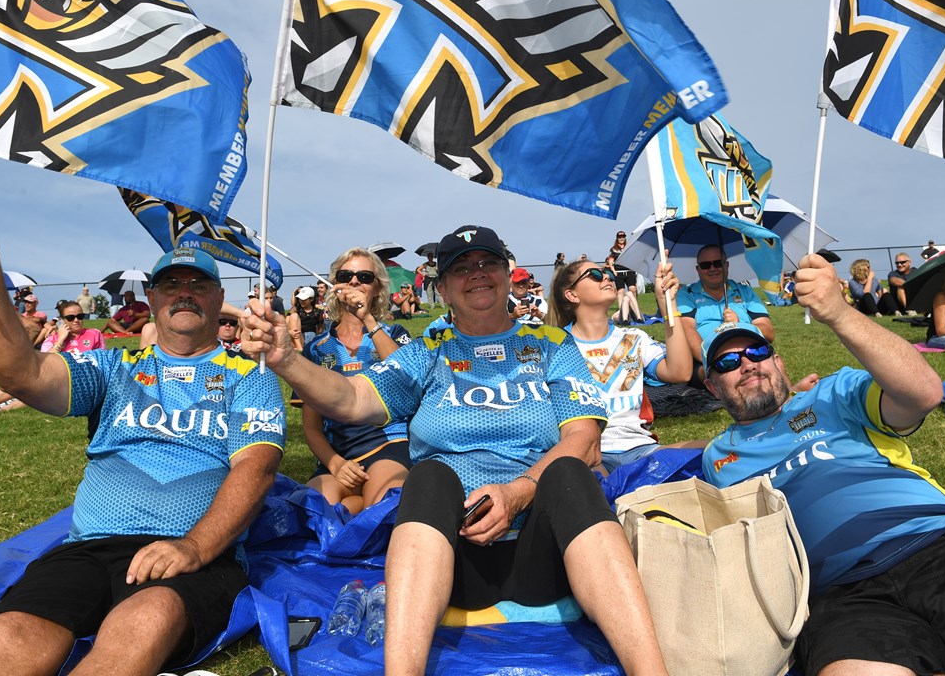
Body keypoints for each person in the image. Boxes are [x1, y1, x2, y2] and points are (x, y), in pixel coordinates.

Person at [244, 224, 669, 676]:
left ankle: (651, 671)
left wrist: (518, 492)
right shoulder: (427, 351)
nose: (477, 273)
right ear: (443, 289)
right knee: (428, 475)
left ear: (506, 273)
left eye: (488, 262)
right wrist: (287, 360)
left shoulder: (551, 344)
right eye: (461, 268)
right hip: (454, 559)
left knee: (570, 472)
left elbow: (584, 439)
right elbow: (352, 399)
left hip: (545, 554)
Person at [0, 198, 285, 676]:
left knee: (144, 622)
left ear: (217, 296)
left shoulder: (250, 377)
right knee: (9, 636)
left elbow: (257, 468)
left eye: (198, 284)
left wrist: (194, 547)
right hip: (89, 548)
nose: (184, 293)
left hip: (193, 553)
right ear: (153, 299)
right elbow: (22, 375)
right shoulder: (112, 366)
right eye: (171, 285)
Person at [698, 255, 945, 675]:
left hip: (940, 543)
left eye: (757, 350)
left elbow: (923, 393)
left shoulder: (833, 393)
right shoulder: (718, 456)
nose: (747, 363)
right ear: (713, 387)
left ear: (778, 362)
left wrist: (839, 313)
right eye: (727, 362)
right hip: (843, 593)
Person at [546, 258, 694, 472]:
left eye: (608, 274)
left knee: (713, 452)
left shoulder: (634, 338)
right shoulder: (554, 346)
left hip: (640, 448)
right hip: (588, 454)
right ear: (572, 295)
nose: (607, 277)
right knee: (592, 482)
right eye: (595, 275)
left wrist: (668, 304)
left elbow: (680, 372)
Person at [300, 248, 413, 514]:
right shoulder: (316, 348)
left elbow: (407, 377)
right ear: (334, 284)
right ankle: (356, 505)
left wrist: (368, 320)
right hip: (338, 456)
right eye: (345, 275)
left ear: (378, 288)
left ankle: (361, 506)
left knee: (384, 509)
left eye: (364, 276)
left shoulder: (394, 333)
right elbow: (312, 427)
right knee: (314, 511)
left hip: (389, 445)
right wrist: (336, 464)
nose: (354, 281)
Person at [678, 244, 774, 384]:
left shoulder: (745, 292)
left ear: (726, 265)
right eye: (705, 265)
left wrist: (739, 324)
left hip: (749, 354)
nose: (712, 268)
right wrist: (713, 358)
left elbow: (769, 332)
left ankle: (792, 395)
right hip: (707, 360)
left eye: (718, 263)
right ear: (698, 270)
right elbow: (687, 329)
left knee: (776, 363)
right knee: (721, 373)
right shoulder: (686, 295)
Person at [288, 286, 323, 350]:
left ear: (311, 299)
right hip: (296, 335)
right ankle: (299, 347)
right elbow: (286, 323)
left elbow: (320, 329)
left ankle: (302, 347)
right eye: (300, 299)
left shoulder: (318, 312)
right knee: (294, 316)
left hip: (310, 336)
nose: (301, 301)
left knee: (310, 334)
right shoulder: (295, 309)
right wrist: (290, 332)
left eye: (304, 299)